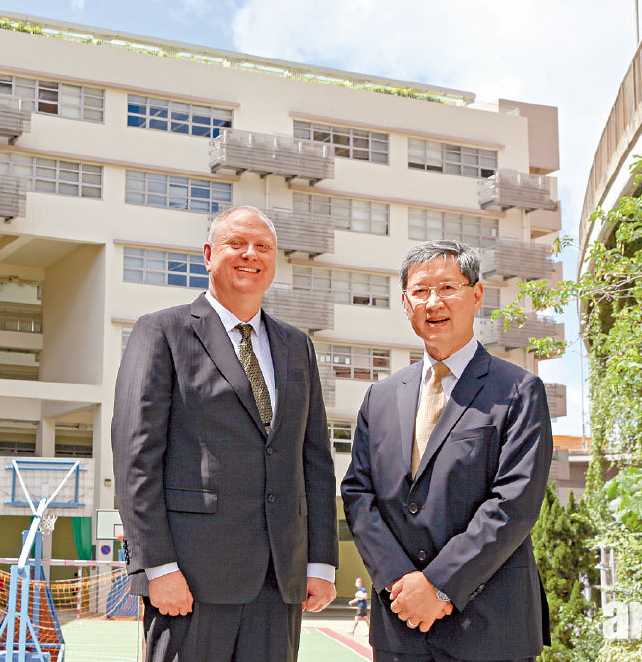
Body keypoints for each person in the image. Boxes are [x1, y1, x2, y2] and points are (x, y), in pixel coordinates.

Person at [112, 206, 338, 662]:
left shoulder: (297, 345)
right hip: (191, 580)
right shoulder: (162, 331)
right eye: (237, 244)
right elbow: (136, 458)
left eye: (263, 247)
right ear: (209, 255)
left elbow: (313, 459)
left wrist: (320, 562)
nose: (250, 254)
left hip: (280, 580)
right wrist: (158, 566)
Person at [340, 240, 553, 662]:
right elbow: (358, 496)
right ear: (405, 303)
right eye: (420, 291)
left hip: (490, 628)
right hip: (400, 626)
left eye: (447, 288)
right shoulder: (379, 398)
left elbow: (514, 503)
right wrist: (402, 580)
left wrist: (437, 584)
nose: (433, 302)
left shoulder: (518, 390)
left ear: (476, 295)